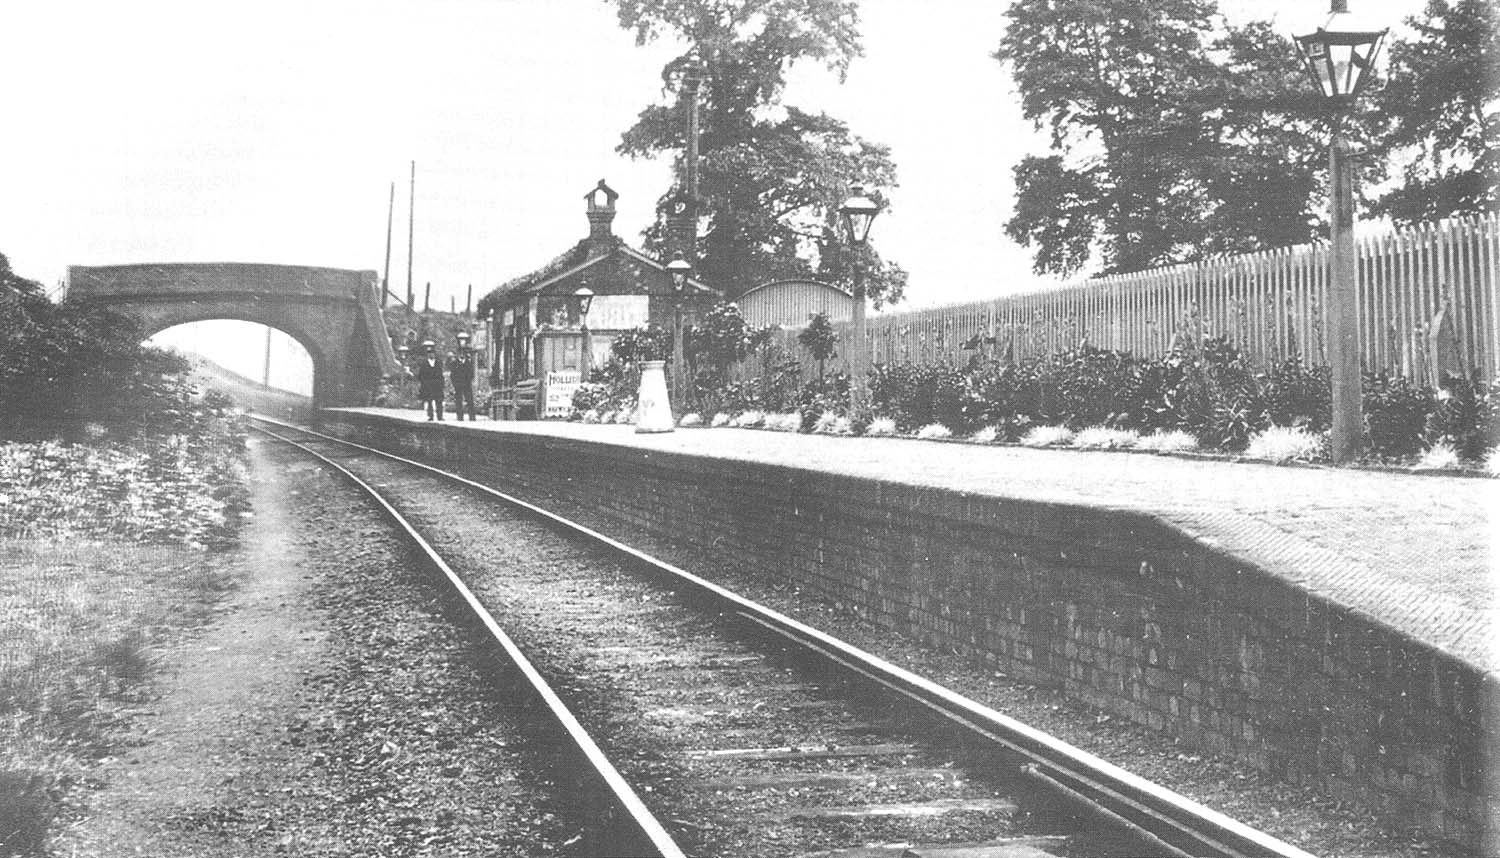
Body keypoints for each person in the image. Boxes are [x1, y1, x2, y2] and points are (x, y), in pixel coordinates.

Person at [415, 341, 445, 421]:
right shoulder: (424, 364)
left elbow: (441, 374)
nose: (431, 355)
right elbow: (421, 375)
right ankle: (431, 416)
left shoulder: (438, 363)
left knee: (439, 401)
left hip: (437, 385)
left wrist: (442, 383)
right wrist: (424, 383)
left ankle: (440, 416)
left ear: (434, 354)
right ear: (427, 355)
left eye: (432, 353)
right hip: (428, 385)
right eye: (429, 354)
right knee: (429, 401)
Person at [450, 342, 477, 421]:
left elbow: (471, 373)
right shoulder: (454, 363)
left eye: (463, 353)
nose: (461, 354)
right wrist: (455, 383)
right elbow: (453, 374)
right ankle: (460, 417)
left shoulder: (468, 363)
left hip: (467, 384)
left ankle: (472, 417)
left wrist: (469, 381)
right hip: (458, 385)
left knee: (470, 400)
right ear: (458, 354)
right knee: (459, 401)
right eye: (460, 353)